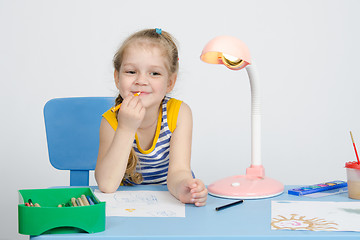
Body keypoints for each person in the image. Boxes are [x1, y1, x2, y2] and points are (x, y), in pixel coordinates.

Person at [95, 28, 207, 206]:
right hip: (125, 206)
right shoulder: (110, 121)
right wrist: (126, 128)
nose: (141, 80)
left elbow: (178, 171)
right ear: (117, 78)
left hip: (168, 202)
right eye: (131, 72)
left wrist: (183, 188)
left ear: (170, 82)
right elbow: (107, 185)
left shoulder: (179, 114)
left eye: (154, 73)